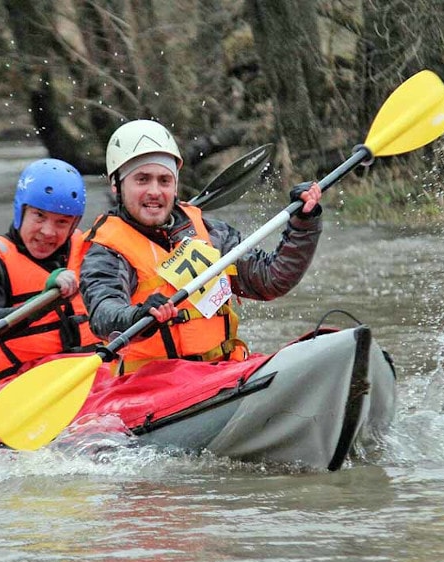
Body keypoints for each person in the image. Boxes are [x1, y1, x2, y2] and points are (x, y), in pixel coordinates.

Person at [79, 119, 323, 374]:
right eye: (142, 180)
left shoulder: (210, 232)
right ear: (116, 185)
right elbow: (103, 313)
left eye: (164, 180)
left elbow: (271, 279)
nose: (154, 191)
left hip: (222, 370)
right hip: (150, 385)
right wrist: (137, 316)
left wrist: (304, 222)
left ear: (175, 186)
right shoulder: (106, 250)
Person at [0, 158, 101, 388]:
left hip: (91, 374)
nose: (48, 231)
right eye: (39, 216)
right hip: (21, 385)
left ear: (73, 224)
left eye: (61, 222)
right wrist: (44, 302)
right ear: (21, 210)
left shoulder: (90, 250)